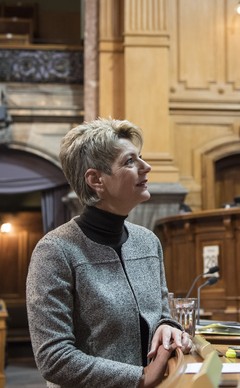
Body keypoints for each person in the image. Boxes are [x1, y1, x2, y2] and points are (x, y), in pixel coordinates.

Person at [26, 118, 193, 388]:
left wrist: (167, 325)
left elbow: (161, 311)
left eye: (141, 157)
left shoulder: (148, 242)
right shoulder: (55, 251)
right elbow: (54, 359)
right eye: (129, 161)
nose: (146, 167)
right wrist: (139, 378)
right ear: (95, 180)